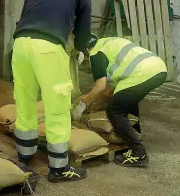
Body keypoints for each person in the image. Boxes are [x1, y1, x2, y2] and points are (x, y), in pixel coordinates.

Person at [12, 0, 91, 182]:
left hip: (20, 45)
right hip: (47, 48)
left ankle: (24, 155)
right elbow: (83, 32)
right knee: (57, 105)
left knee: (25, 99)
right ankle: (59, 168)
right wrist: (80, 50)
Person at [72, 35, 167, 167]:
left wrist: (83, 105)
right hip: (159, 68)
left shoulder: (96, 54)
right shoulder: (110, 41)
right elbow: (119, 79)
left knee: (115, 111)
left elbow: (100, 87)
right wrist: (107, 97)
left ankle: (138, 153)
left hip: (142, 73)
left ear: (85, 51)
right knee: (127, 100)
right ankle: (134, 134)